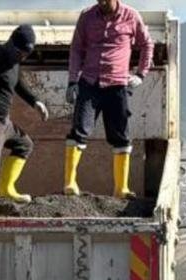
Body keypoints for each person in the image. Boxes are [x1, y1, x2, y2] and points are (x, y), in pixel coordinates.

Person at [65, 0, 153, 199]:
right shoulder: (86, 16)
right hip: (89, 83)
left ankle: (121, 188)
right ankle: (70, 183)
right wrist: (72, 81)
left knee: (121, 136)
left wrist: (140, 74)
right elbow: (77, 49)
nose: (102, 2)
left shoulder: (131, 16)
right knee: (78, 131)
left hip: (118, 85)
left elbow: (147, 44)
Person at [0, 24, 50, 217]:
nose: (22, 57)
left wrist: (35, 101)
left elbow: (17, 84)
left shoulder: (15, 62)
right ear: (11, 43)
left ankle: (6, 188)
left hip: (4, 122)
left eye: (25, 54)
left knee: (25, 144)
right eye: (20, 52)